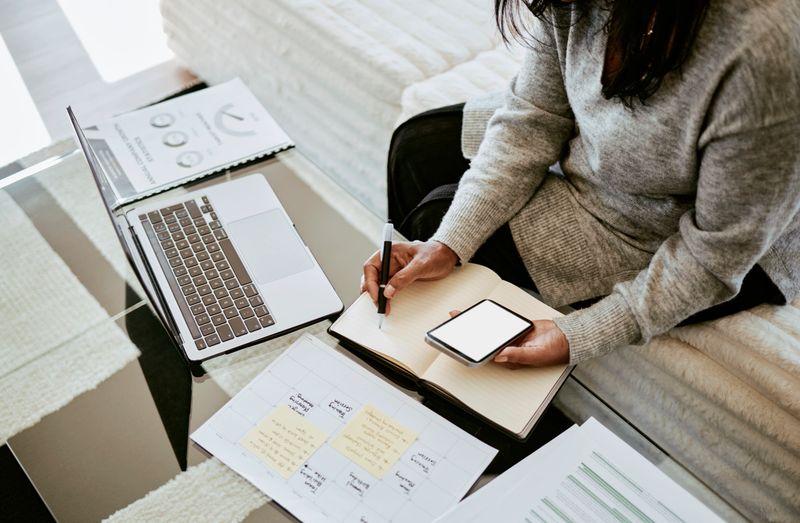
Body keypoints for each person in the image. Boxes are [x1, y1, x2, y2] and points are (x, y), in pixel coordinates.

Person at [362, 0, 799, 367]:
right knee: (415, 149)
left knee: (432, 214)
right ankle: (407, 350)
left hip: (715, 229)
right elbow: (533, 117)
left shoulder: (764, 49)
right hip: (600, 148)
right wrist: (448, 243)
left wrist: (578, 335)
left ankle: (497, 419)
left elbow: (716, 255)